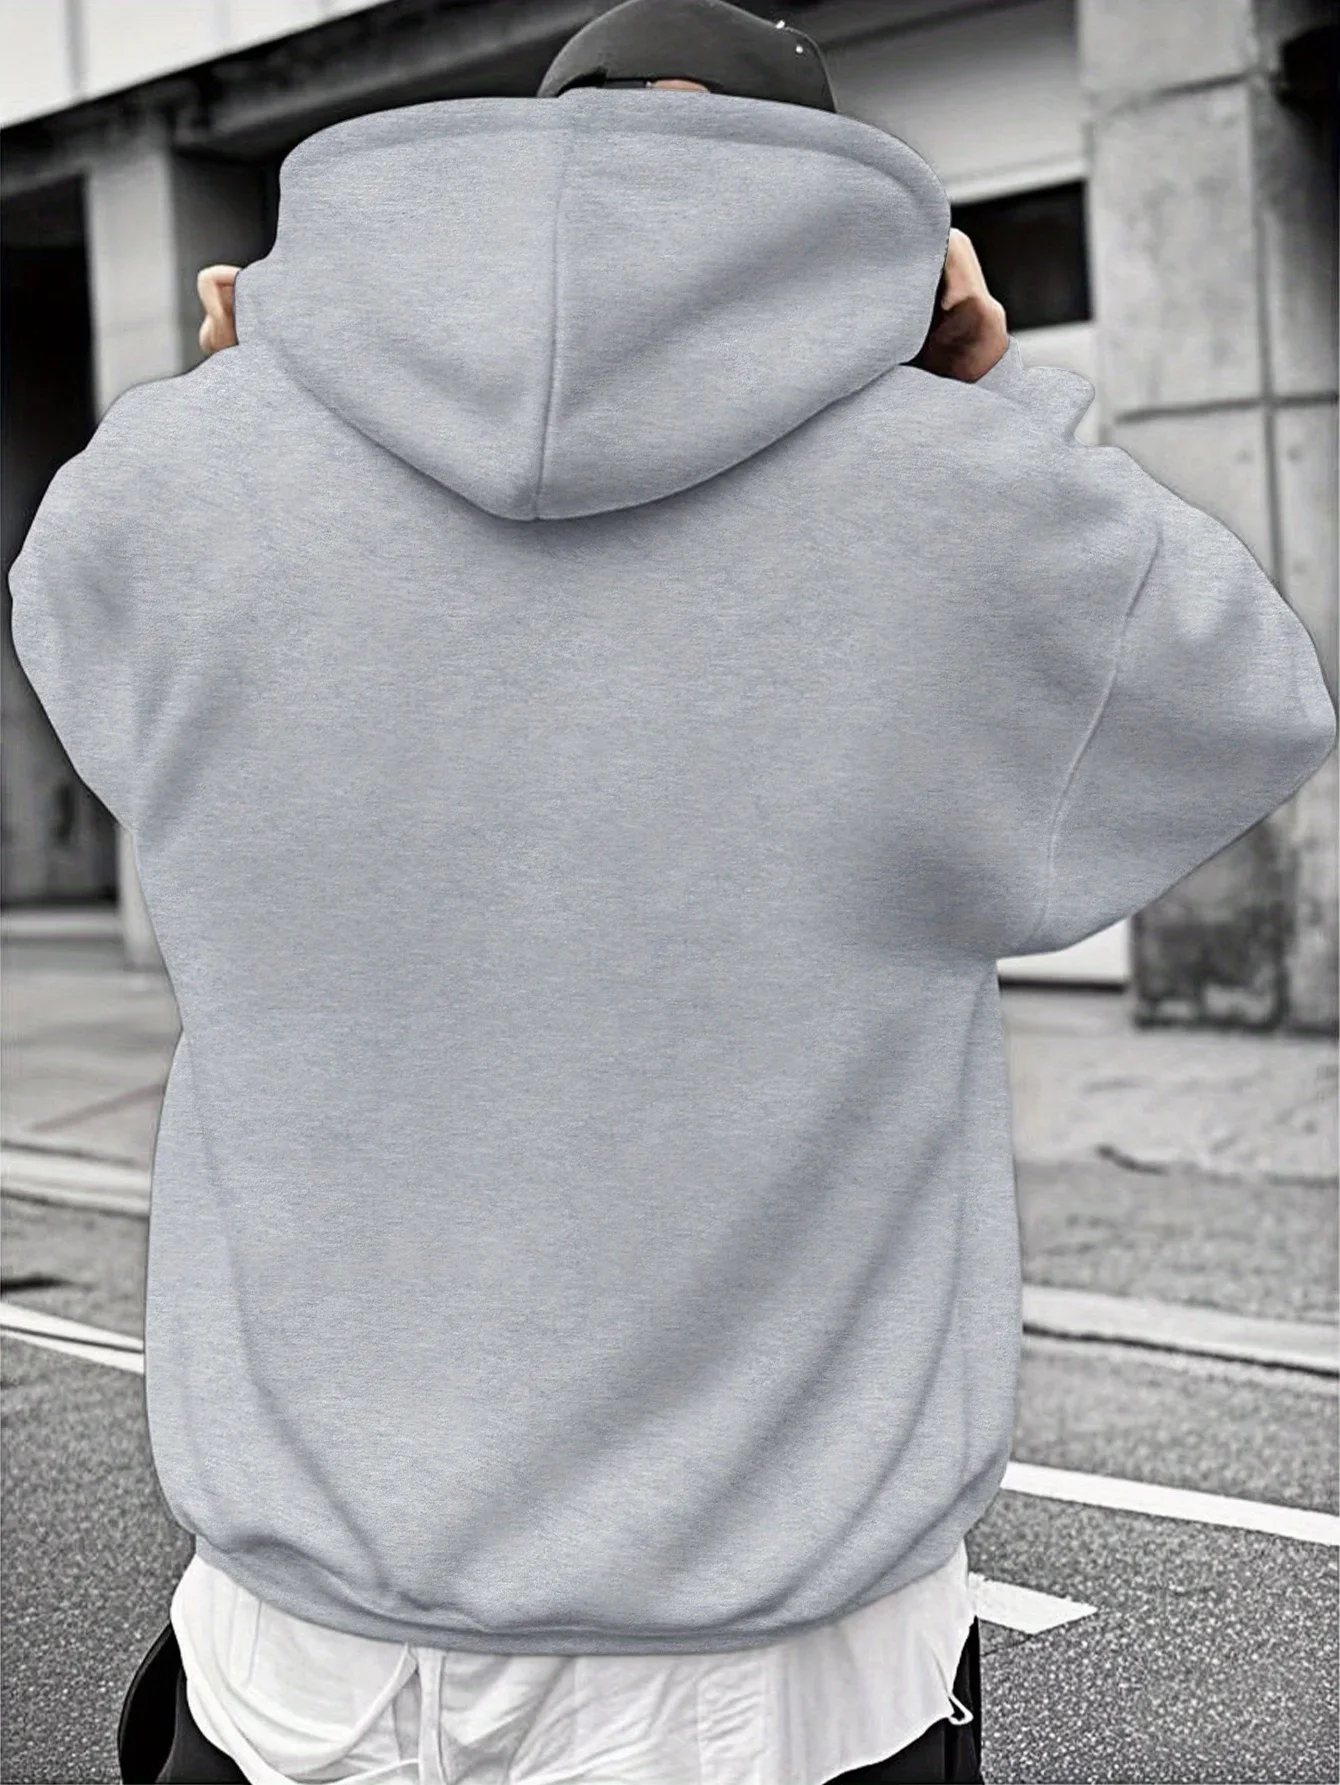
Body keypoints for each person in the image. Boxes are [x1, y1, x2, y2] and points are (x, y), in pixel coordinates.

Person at [8, 0, 1333, 1781]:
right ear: (848, 209)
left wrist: (268, 385)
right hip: (779, 1664)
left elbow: (93, 621)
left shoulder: (175, 486)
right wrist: (990, 405)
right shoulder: (975, 517)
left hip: (305, 1644)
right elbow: (1249, 698)